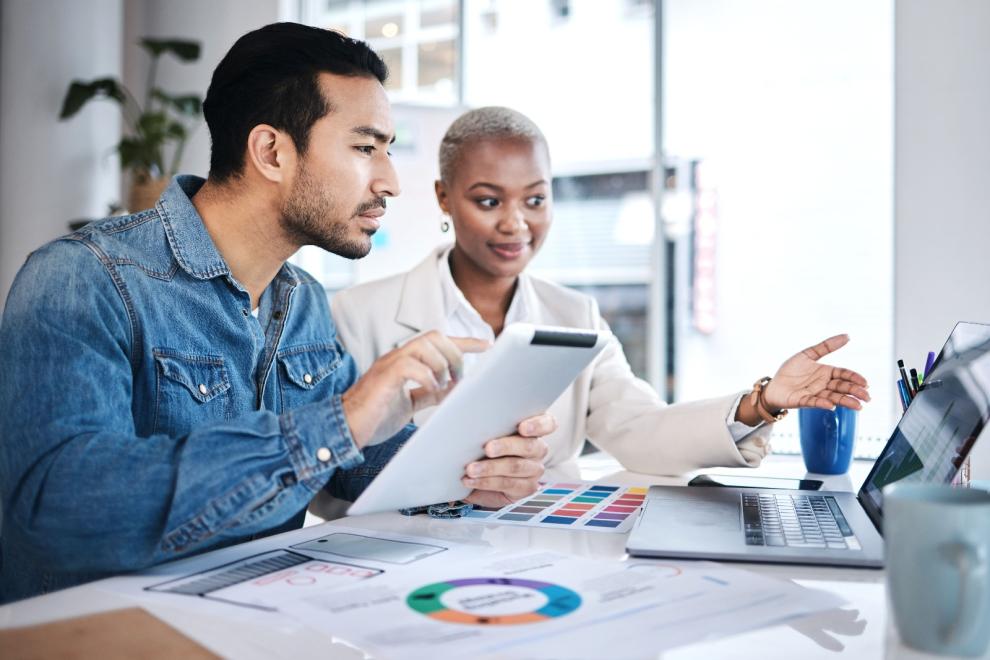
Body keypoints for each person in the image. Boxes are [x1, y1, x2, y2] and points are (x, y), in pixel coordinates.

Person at [0, 27, 553, 604]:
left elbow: (349, 468)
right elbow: (60, 510)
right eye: (365, 148)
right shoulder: (82, 280)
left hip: (258, 621)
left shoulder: (302, 299)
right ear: (270, 152)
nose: (388, 180)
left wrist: (477, 465)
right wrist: (343, 419)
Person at [330, 106, 870, 479]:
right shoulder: (358, 317)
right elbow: (336, 481)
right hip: (413, 567)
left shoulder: (575, 314)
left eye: (535, 201)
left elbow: (640, 429)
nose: (516, 224)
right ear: (444, 199)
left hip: (549, 557)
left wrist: (763, 401)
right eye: (489, 201)